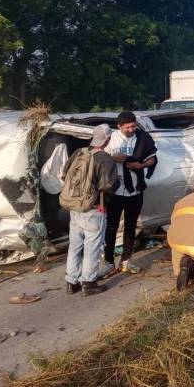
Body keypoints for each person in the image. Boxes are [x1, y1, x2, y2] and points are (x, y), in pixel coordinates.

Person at [62, 124, 119, 296]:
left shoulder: (79, 153)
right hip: (94, 209)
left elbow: (65, 174)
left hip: (75, 207)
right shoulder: (105, 158)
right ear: (107, 139)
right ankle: (89, 283)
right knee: (92, 247)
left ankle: (71, 282)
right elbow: (108, 186)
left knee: (75, 246)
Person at [102, 111, 158, 276]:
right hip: (116, 190)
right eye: (128, 127)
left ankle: (126, 260)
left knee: (131, 226)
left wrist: (140, 166)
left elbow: (152, 159)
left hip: (135, 189)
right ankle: (109, 262)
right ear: (119, 127)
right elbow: (100, 159)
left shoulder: (142, 138)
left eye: (133, 126)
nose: (132, 129)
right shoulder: (111, 139)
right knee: (111, 227)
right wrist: (113, 158)